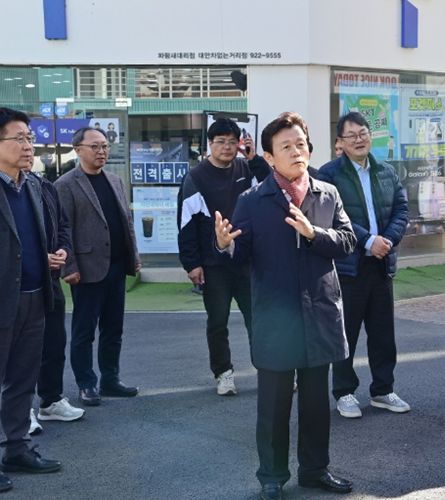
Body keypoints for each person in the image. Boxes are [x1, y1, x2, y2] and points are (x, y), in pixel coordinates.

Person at [214, 112, 355, 500]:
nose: (296, 152)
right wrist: (225, 245)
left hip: (320, 313)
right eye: (286, 146)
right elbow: (240, 254)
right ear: (269, 157)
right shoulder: (252, 201)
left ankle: (315, 470)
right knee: (274, 406)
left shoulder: (327, 194)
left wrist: (314, 234)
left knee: (316, 404)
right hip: (277, 318)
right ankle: (272, 477)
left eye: (301, 144)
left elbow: (347, 242)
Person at [317, 111, 410, 419]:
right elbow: (332, 217)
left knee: (383, 334)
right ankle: (344, 392)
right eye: (352, 135)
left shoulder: (386, 171)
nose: (359, 140)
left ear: (371, 136)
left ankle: (383, 390)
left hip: (381, 264)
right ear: (340, 142)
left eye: (363, 133)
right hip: (348, 266)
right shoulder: (329, 175)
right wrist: (368, 241)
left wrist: (387, 241)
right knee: (346, 333)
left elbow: (401, 209)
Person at [177, 118, 270, 396]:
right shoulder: (195, 177)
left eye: (232, 142)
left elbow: (270, 187)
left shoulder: (246, 168)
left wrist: (254, 159)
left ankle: (269, 370)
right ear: (210, 144)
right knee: (218, 322)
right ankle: (223, 373)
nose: (227, 147)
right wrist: (192, 264)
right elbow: (186, 224)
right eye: (221, 142)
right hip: (213, 264)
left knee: (259, 319)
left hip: (247, 260)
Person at [55, 127, 141, 407]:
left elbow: (126, 222)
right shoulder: (65, 184)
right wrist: (69, 266)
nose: (101, 151)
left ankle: (110, 379)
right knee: (84, 331)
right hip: (86, 268)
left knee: (113, 328)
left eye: (104, 146)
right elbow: (61, 229)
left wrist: (133, 256)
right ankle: (86, 384)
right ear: (78, 149)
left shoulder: (114, 180)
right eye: (95, 146)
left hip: (117, 265)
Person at [0, 107, 62, 493]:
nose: (28, 146)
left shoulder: (34, 186)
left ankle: (17, 448)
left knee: (23, 380)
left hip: (35, 297)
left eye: (29, 138)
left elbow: (42, 234)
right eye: (19, 138)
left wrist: (51, 256)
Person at [24, 167, 84, 435]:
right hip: (15, 283)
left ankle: (51, 401)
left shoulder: (43, 185)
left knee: (54, 342)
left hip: (49, 280)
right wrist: (38, 258)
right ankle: (19, 410)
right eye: (20, 145)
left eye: (30, 144)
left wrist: (63, 249)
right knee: (19, 352)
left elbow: (62, 226)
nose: (28, 149)